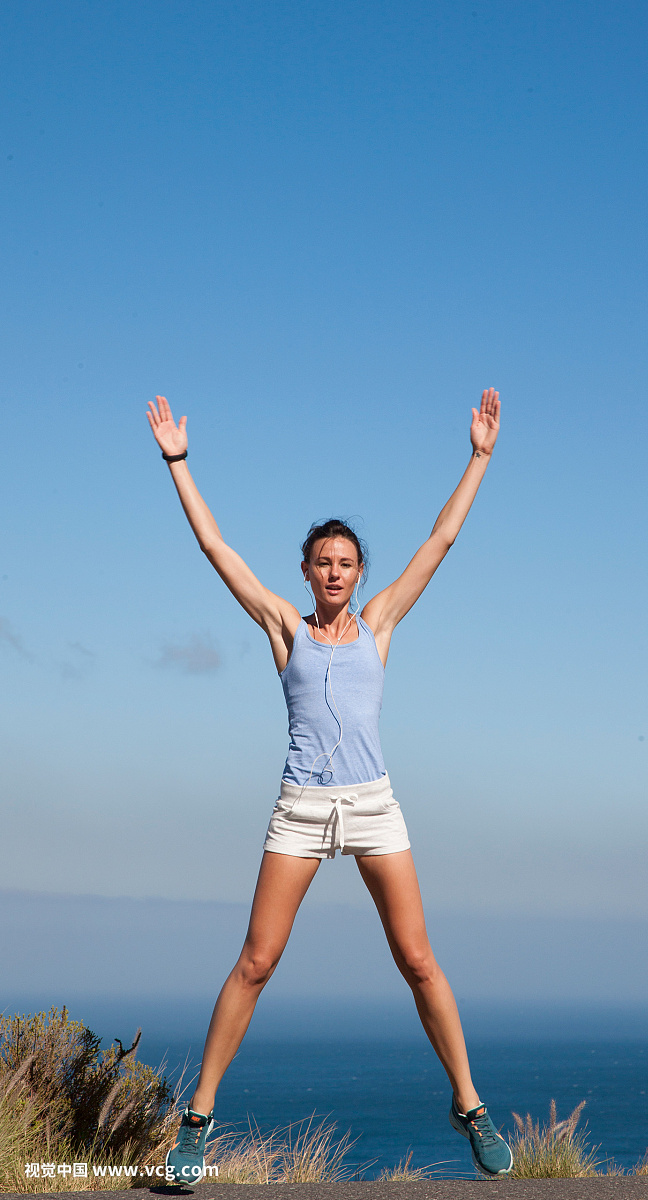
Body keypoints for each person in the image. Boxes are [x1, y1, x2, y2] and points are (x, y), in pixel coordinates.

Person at [146, 389, 512, 1181]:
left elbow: (440, 540)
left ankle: (469, 1104)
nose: (336, 572)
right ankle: (197, 1120)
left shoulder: (381, 623)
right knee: (255, 962)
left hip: (374, 803)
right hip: (302, 809)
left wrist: (478, 456)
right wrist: (178, 463)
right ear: (306, 571)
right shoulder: (285, 627)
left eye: (347, 563)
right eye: (324, 562)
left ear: (358, 572)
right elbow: (217, 550)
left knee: (417, 961)